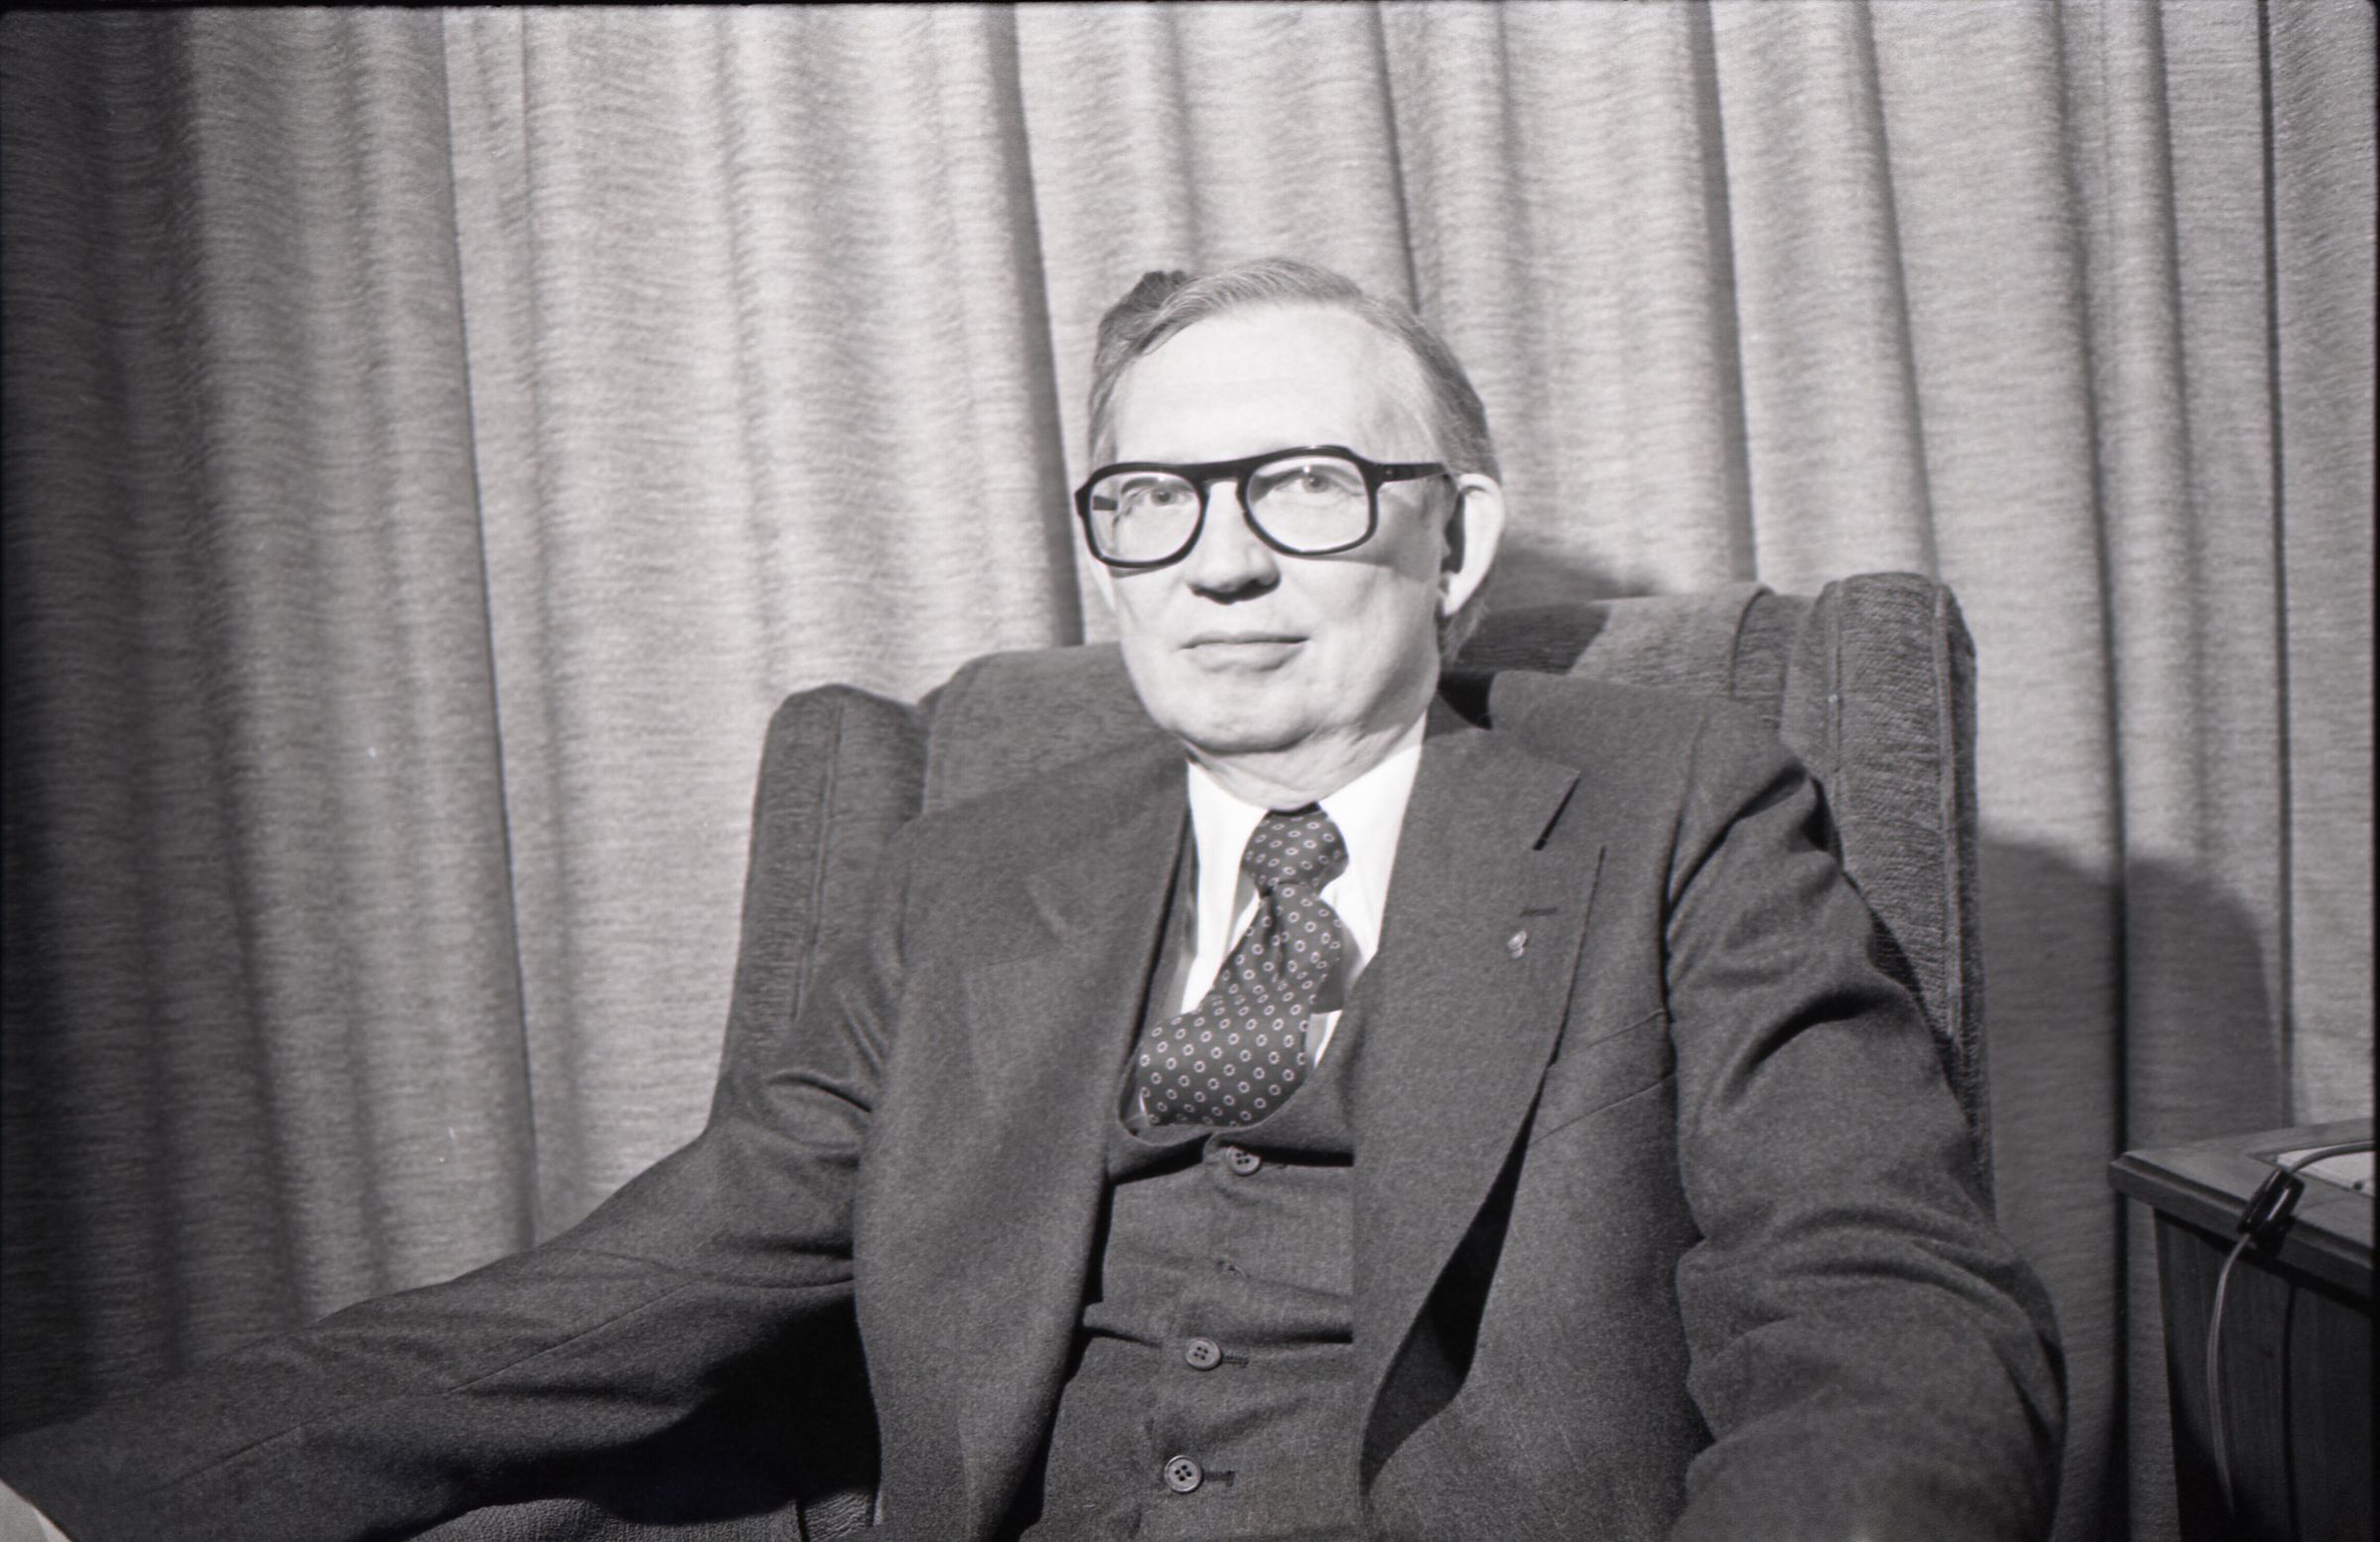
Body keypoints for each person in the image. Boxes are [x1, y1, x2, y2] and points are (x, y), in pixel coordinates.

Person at [0, 258, 2063, 1541]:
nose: (1219, 562)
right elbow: (630, 1296)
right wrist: (82, 1498)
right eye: (1153, 500)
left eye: (1303, 486)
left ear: (1452, 542)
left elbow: (1880, 1303)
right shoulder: (971, 874)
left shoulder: (1679, 800)